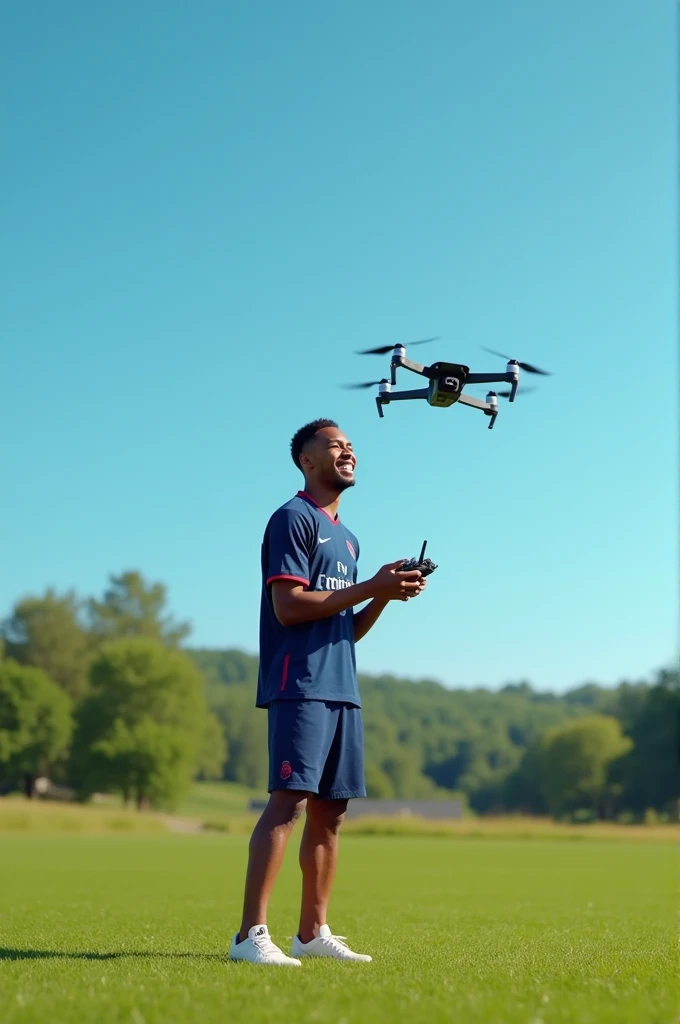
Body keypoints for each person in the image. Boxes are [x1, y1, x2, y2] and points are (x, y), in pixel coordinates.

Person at [228, 418, 426, 966]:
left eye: (352, 446)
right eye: (335, 445)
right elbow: (289, 607)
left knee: (330, 813)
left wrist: (383, 596)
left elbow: (346, 626)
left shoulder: (348, 538)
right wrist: (372, 586)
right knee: (289, 803)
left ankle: (312, 935)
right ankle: (249, 937)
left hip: (343, 687)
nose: (348, 452)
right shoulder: (291, 519)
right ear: (306, 461)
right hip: (300, 683)